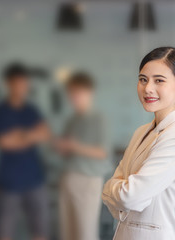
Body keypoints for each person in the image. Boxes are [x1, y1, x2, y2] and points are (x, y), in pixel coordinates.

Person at [101, 47, 175, 240]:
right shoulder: (142, 132)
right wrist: (118, 190)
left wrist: (113, 188)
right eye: (143, 79)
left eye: (159, 81)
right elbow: (117, 194)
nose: (148, 88)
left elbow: (130, 196)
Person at [0, 63, 50, 240]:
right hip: (7, 182)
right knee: (4, 231)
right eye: (17, 83)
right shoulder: (0, 111)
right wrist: (31, 135)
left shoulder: (31, 110)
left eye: (24, 83)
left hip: (34, 179)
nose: (22, 87)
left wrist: (20, 134)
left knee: (40, 230)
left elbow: (45, 134)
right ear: (8, 84)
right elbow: (4, 143)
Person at [54, 72, 112, 240]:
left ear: (89, 92)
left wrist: (74, 146)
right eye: (71, 93)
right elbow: (65, 149)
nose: (74, 97)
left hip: (88, 179)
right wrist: (60, 146)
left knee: (85, 231)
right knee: (68, 230)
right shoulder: (72, 119)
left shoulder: (99, 119)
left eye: (77, 92)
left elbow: (102, 152)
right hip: (68, 177)